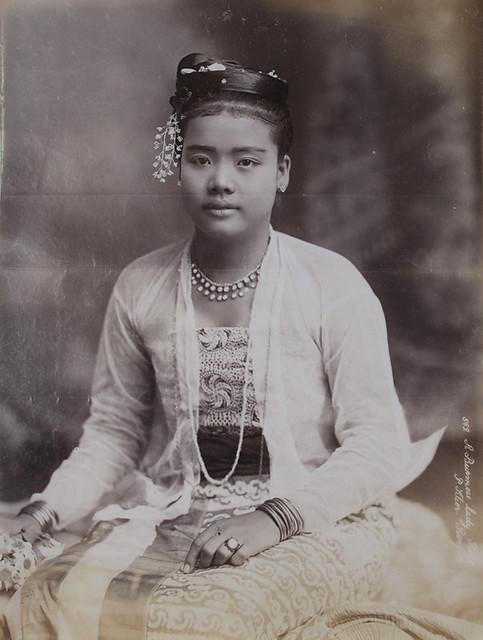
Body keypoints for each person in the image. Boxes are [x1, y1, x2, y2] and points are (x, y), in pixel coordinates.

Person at [1, 52, 445, 639]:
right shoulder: (141, 285)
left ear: (281, 172)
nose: (221, 180)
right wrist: (46, 510)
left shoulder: (331, 284)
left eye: (247, 161)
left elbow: (377, 444)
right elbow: (113, 434)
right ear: (178, 163)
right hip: (177, 509)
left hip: (319, 515)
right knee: (42, 599)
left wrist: (274, 518)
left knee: (201, 622)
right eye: (201, 158)